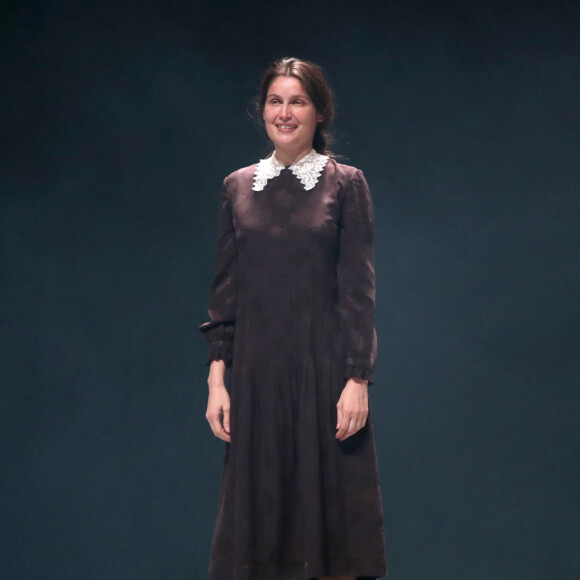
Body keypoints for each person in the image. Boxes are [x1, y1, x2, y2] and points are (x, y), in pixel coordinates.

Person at [199, 57, 387, 580]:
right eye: (275, 101)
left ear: (319, 112)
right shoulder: (237, 187)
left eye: (298, 101)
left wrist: (357, 379)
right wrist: (218, 381)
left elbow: (358, 292)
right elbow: (226, 295)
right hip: (257, 382)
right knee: (260, 543)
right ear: (262, 110)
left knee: (330, 543)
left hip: (324, 378)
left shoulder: (345, 185)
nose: (285, 113)